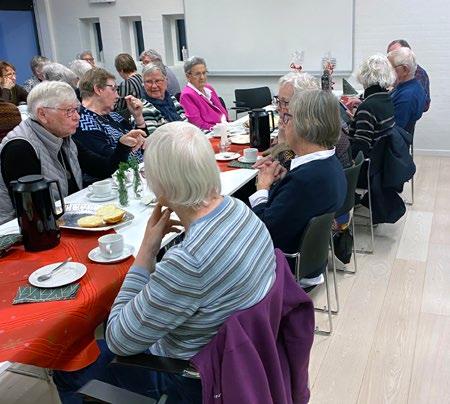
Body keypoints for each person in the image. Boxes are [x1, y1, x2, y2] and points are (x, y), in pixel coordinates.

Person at [53, 121, 276, 403]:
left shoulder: (188, 262)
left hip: (191, 377)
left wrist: (146, 252)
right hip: (240, 356)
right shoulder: (238, 209)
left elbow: (119, 340)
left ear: (160, 185)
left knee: (68, 365)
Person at [0, 81, 145, 224]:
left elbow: (102, 168)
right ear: (42, 114)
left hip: (63, 217)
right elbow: (33, 213)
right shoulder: (19, 148)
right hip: (19, 229)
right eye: (69, 111)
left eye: (77, 110)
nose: (77, 117)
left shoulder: (63, 136)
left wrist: (123, 146)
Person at [250, 90, 346, 287]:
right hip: (311, 262)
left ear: (305, 125)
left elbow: (263, 231)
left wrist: (262, 188)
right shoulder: (329, 163)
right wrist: (283, 181)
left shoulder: (305, 180)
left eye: (287, 117)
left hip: (286, 268)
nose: (283, 123)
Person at [262, 72, 352, 169]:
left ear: (305, 104)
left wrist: (282, 143)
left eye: (285, 102)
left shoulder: (316, 131)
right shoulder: (314, 121)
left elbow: (292, 170)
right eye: (278, 101)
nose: (278, 108)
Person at [75, 68, 148, 183]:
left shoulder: (113, 116)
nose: (118, 96)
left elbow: (144, 146)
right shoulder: (84, 123)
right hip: (116, 184)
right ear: (98, 90)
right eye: (114, 89)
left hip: (137, 176)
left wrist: (138, 118)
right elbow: (112, 164)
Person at [348, 54, 396, 151]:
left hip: (370, 158)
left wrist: (355, 120)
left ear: (364, 76)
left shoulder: (367, 107)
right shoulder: (387, 99)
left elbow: (360, 148)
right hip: (383, 156)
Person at [179, 56, 229, 130]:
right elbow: (197, 125)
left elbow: (223, 113)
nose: (202, 77)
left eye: (204, 73)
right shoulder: (187, 95)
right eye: (197, 74)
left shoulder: (209, 88)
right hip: (210, 133)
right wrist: (219, 129)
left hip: (225, 129)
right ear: (188, 76)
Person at [388, 47, 426, 133]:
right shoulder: (411, 85)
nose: (388, 72)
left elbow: (393, 130)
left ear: (405, 69)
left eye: (391, 68)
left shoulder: (407, 96)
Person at [141, 63, 186, 135]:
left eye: (158, 81)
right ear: (143, 84)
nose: (154, 86)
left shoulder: (171, 98)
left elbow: (185, 121)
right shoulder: (144, 109)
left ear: (166, 81)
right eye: (148, 82)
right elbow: (155, 138)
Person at [387, 39, 430, 112]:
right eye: (390, 54)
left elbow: (424, 104)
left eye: (397, 53)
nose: (392, 57)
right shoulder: (392, 72)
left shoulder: (419, 74)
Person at [114, 53, 144, 119]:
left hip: (133, 117)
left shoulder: (126, 83)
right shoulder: (141, 78)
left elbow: (120, 108)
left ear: (121, 70)